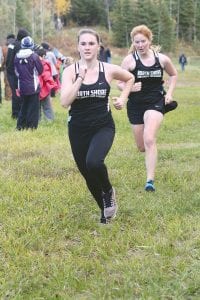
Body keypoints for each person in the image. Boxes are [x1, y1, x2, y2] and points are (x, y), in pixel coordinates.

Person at [61, 28, 134, 224]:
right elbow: (64, 102)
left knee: (94, 162)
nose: (87, 47)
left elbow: (129, 78)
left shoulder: (108, 69)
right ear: (78, 47)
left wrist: (124, 99)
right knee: (87, 174)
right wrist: (80, 79)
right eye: (83, 43)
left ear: (98, 46)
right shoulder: (70, 72)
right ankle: (105, 212)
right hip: (77, 129)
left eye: (91, 43)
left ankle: (109, 191)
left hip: (103, 126)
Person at [118, 24, 177, 192]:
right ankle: (148, 153)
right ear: (133, 42)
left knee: (149, 138)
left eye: (143, 41)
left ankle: (149, 180)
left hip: (155, 102)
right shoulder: (129, 60)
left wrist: (169, 93)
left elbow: (173, 74)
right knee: (142, 146)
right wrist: (127, 88)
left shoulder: (162, 59)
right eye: (137, 42)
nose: (140, 45)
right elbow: (119, 82)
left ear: (149, 40)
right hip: (135, 104)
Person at [14, 36, 43, 130]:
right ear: (31, 45)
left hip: (21, 85)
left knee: (24, 106)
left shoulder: (17, 56)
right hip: (33, 86)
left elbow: (16, 72)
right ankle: (32, 127)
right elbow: (40, 70)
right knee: (33, 107)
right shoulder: (34, 56)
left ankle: (20, 126)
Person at [6, 28, 29, 118]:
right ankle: (17, 113)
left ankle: (15, 113)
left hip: (9, 71)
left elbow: (8, 59)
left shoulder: (11, 45)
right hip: (15, 73)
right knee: (17, 93)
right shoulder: (19, 45)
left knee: (14, 92)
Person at [36, 47, 59, 121]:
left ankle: (37, 120)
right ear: (43, 56)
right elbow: (47, 76)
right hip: (44, 89)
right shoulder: (44, 64)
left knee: (37, 107)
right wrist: (54, 85)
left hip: (35, 88)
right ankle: (50, 120)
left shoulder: (33, 62)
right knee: (47, 106)